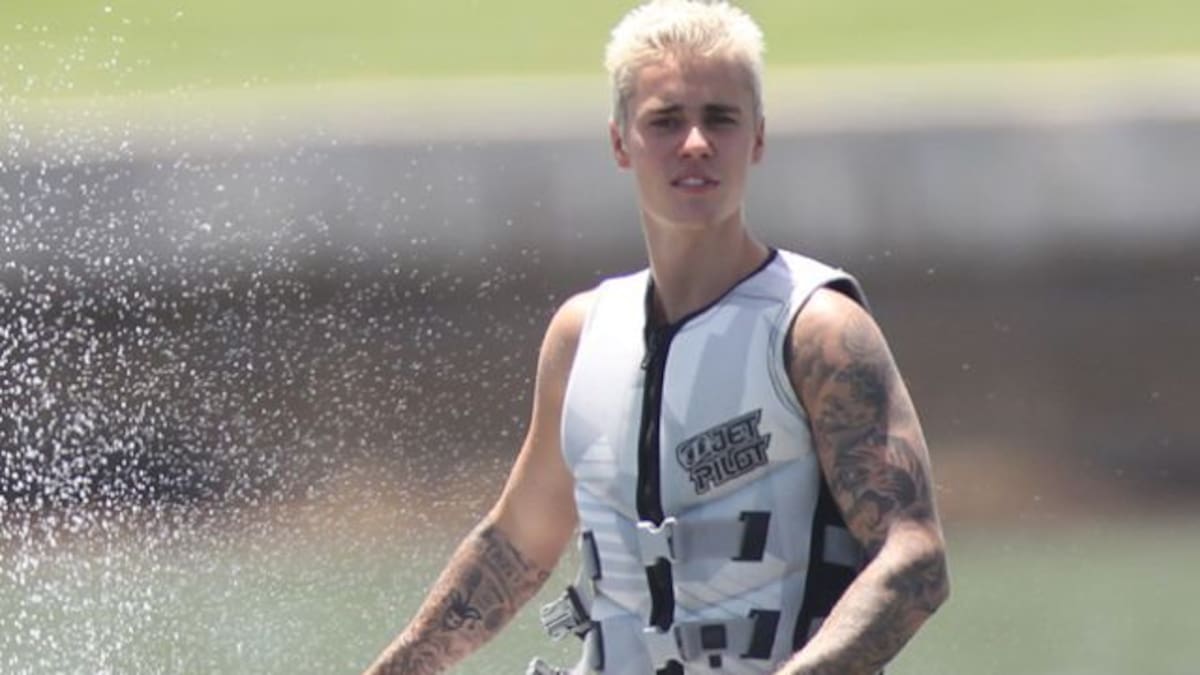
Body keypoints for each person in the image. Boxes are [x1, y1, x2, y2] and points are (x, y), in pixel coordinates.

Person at [362, 1, 949, 673]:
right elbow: (517, 543)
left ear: (757, 138)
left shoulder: (817, 330)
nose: (695, 142)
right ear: (620, 142)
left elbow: (915, 561)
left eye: (720, 119)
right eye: (666, 120)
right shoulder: (581, 337)